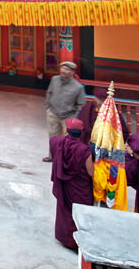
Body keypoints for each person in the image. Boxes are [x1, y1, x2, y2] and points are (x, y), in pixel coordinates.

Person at [50, 116, 94, 250]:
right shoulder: (84, 150)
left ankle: (64, 237)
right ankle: (75, 242)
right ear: (81, 133)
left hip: (64, 183)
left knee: (65, 209)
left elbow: (54, 155)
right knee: (78, 212)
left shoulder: (57, 142)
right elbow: (91, 172)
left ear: (68, 130)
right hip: (80, 187)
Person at [43, 61, 84, 160]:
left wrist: (73, 118)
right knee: (53, 137)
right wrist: (47, 107)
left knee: (68, 140)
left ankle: (65, 159)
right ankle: (52, 156)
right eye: (62, 68)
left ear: (72, 72)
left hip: (68, 117)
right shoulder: (54, 80)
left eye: (67, 69)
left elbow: (81, 105)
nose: (64, 71)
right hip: (53, 113)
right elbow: (49, 92)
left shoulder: (78, 87)